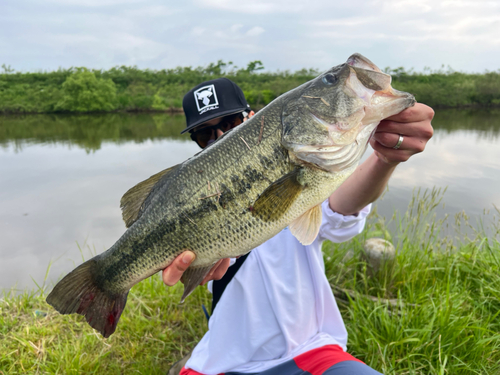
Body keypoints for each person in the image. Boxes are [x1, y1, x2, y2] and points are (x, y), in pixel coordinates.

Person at [164, 78, 434, 375]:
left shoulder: (304, 174)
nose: (219, 137)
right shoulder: (193, 203)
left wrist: (384, 159)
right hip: (220, 361)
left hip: (312, 352)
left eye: (230, 123)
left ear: (254, 119)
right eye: (204, 135)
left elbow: (339, 211)